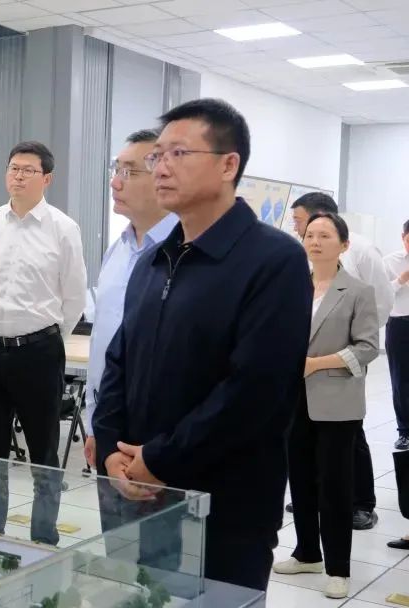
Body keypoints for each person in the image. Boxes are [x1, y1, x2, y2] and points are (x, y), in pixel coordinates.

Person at [93, 98, 312, 591]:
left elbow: (253, 390)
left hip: (225, 503)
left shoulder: (273, 260)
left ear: (228, 164)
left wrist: (160, 459)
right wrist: (110, 449)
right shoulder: (153, 260)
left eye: (178, 154)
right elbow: (119, 360)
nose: (161, 167)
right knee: (137, 598)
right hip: (136, 490)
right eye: (157, 156)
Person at [0, 140, 88, 546]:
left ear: (47, 179)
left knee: (44, 451)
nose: (18, 176)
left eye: (27, 170)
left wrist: (45, 337)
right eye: (13, 168)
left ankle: (43, 535)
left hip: (38, 353)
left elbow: (74, 296)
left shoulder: (63, 228)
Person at [84, 129, 181, 572]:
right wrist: (95, 426)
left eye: (129, 171)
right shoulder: (118, 250)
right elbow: (104, 343)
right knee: (119, 561)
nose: (115, 181)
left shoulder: (181, 252)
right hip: (110, 429)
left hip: (159, 439)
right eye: (115, 169)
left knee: (165, 567)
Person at [273, 211, 379, 600]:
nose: (315, 242)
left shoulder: (357, 290)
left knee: (334, 486)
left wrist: (316, 364)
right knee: (300, 478)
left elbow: (368, 347)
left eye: (325, 235)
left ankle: (338, 568)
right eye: (310, 235)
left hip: (337, 401)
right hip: (293, 397)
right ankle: (306, 553)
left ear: (344, 244)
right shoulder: (292, 286)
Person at [289, 192, 390, 530]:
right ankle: (313, 502)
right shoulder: (300, 272)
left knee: (349, 440)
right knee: (306, 444)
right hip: (301, 376)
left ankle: (362, 503)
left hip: (342, 363)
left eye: (300, 221)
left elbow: (380, 301)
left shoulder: (362, 250)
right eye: (306, 232)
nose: (305, 235)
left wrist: (352, 341)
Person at [387, 221, 409, 451]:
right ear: (403, 237)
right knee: (400, 381)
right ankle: (405, 432)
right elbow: (381, 294)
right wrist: (400, 280)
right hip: (399, 325)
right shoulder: (389, 262)